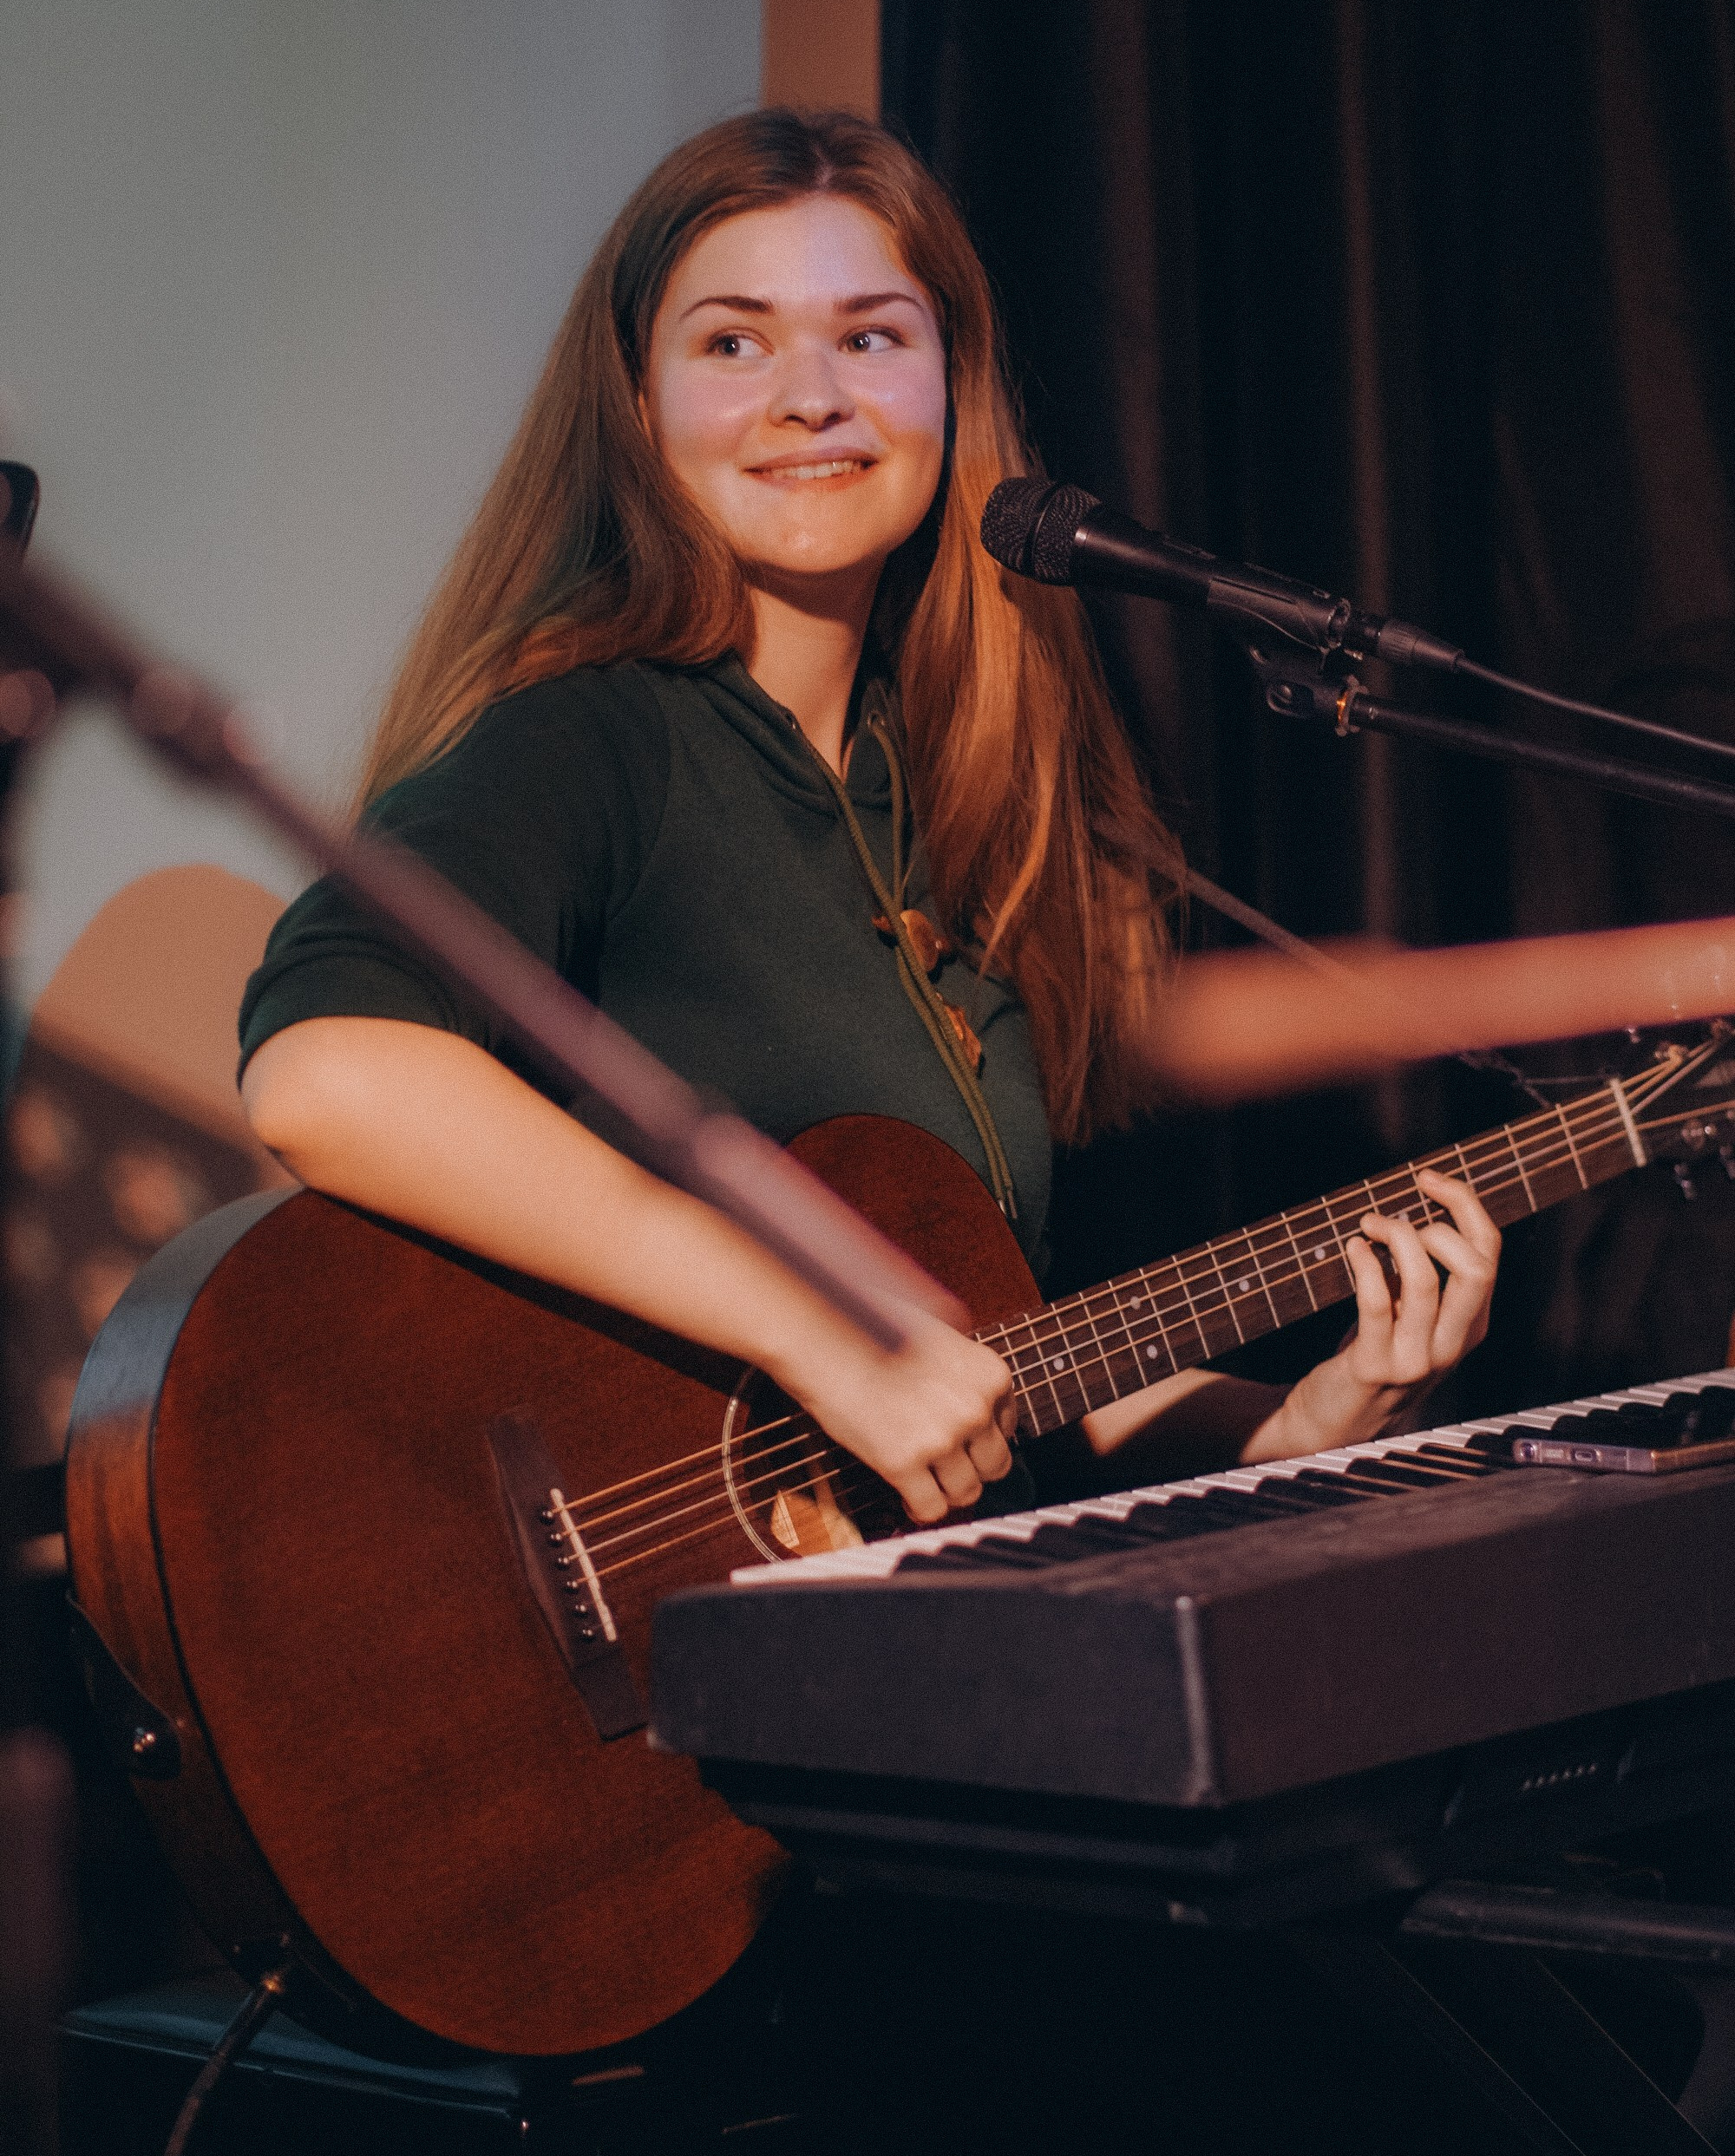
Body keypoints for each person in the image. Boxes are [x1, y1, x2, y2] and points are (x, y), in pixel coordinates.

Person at [238, 108, 1500, 1523]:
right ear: (636, 403)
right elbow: (325, 1069)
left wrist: (1306, 1426)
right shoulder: (591, 727)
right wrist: (809, 1324)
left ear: (951, 389)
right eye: (734, 342)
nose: (810, 396)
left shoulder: (962, 794)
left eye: (872, 336)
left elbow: (983, 1372)